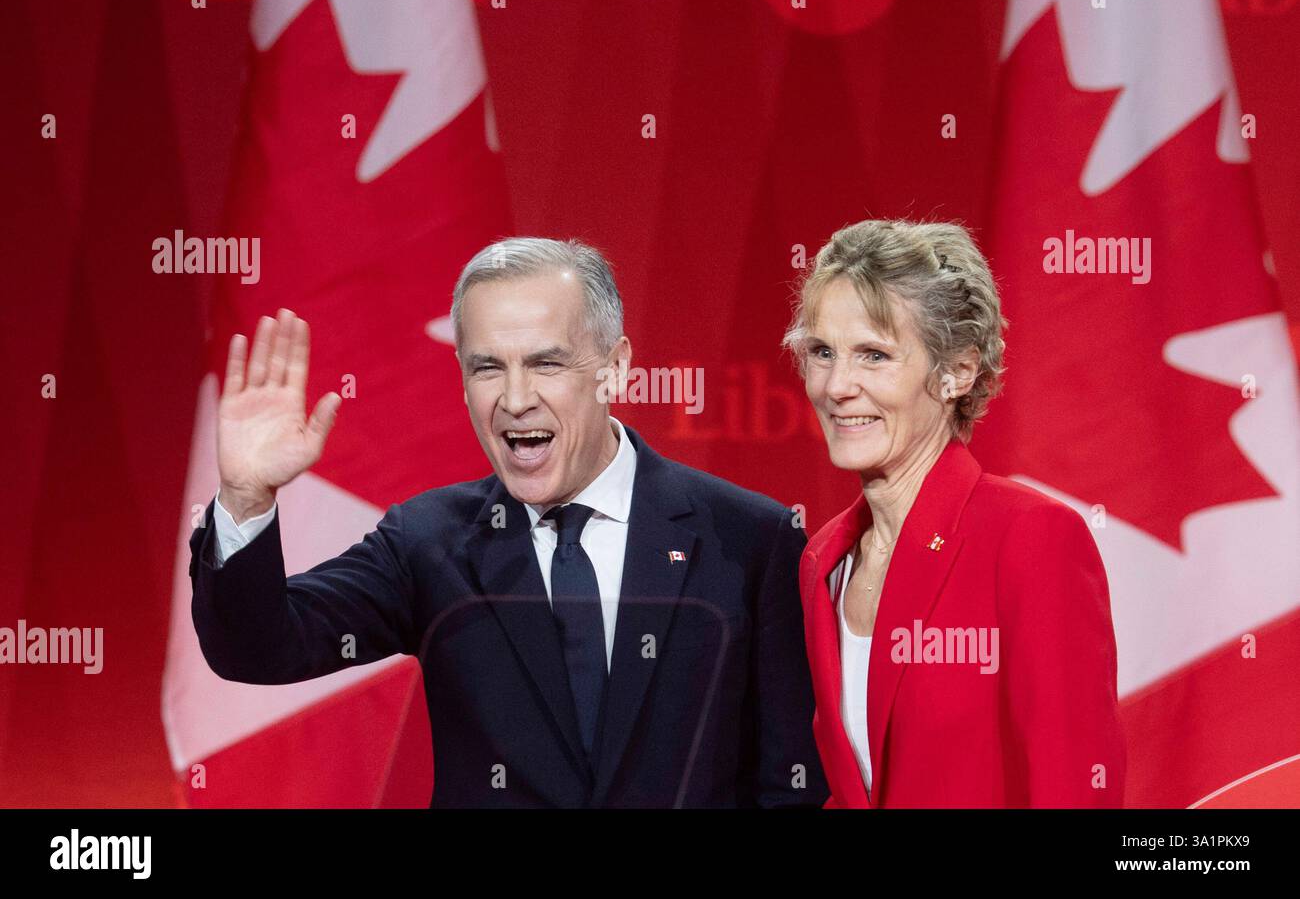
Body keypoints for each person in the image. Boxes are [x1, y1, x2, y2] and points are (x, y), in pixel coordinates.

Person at [190, 237, 827, 808]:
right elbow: (258, 648)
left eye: (546, 363)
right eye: (487, 367)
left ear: (614, 368)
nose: (515, 399)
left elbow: (790, 783)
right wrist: (246, 497)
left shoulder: (749, 540)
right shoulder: (430, 542)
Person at [783, 219, 1125, 808]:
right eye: (822, 352)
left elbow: (1073, 788)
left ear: (956, 373)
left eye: (874, 354)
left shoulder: (1030, 539)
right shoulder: (825, 560)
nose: (837, 385)